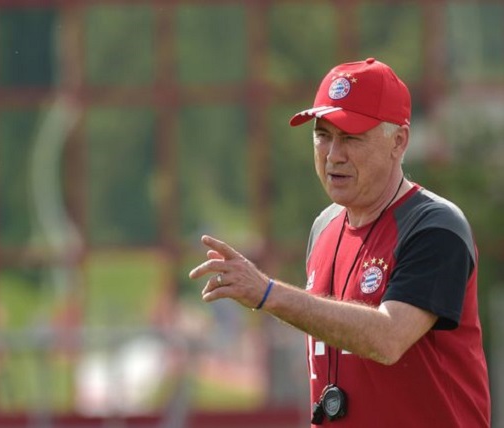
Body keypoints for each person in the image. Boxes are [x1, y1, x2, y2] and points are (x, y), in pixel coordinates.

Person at [188, 58, 491, 427]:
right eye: (323, 135)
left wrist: (268, 293)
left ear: (399, 142)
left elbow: (389, 338)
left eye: (351, 137)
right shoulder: (325, 227)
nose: (333, 155)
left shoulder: (434, 227)